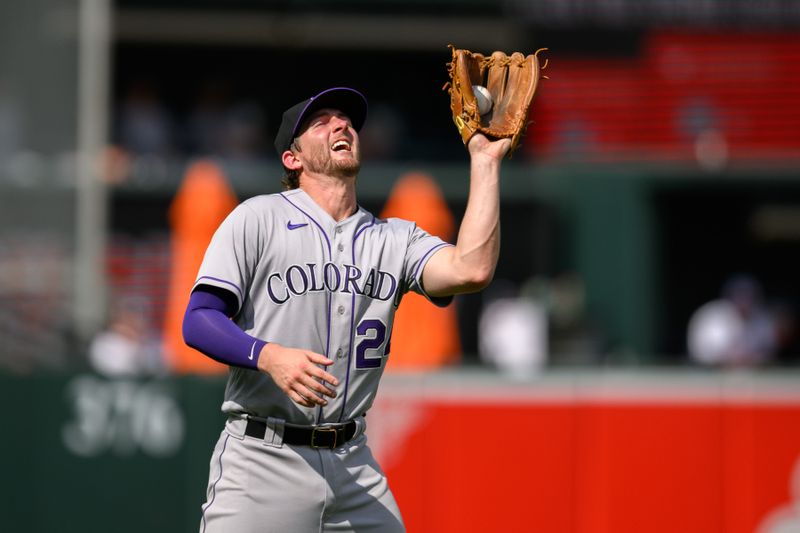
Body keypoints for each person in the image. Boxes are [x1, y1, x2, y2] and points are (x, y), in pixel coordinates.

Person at [182, 87, 511, 532]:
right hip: (263, 457)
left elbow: (471, 269)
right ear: (291, 158)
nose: (341, 125)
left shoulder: (395, 238)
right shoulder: (256, 219)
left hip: (352, 462)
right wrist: (268, 355)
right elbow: (198, 320)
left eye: (347, 120)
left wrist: (485, 162)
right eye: (321, 122)